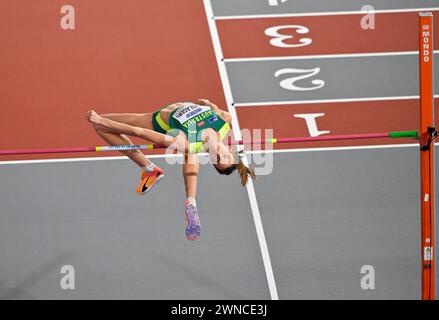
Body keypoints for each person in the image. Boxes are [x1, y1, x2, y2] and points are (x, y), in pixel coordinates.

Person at [86, 99, 256, 241]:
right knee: (190, 155)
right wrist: (210, 105)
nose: (218, 156)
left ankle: (149, 168)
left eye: (216, 161)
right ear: (230, 151)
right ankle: (189, 199)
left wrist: (102, 121)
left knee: (100, 125)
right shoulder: (225, 122)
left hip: (157, 121)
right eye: (224, 157)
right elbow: (219, 112)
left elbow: (139, 132)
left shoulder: (188, 144)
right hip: (175, 110)